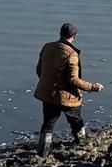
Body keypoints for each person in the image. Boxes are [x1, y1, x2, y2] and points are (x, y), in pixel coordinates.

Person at [33, 22, 103, 158]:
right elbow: (73, 80)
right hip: (67, 97)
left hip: (48, 95)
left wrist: (49, 84)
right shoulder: (72, 54)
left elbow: (39, 70)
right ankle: (81, 143)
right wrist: (93, 87)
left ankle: (42, 152)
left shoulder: (47, 47)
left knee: (48, 124)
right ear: (74, 36)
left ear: (60, 34)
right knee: (76, 120)